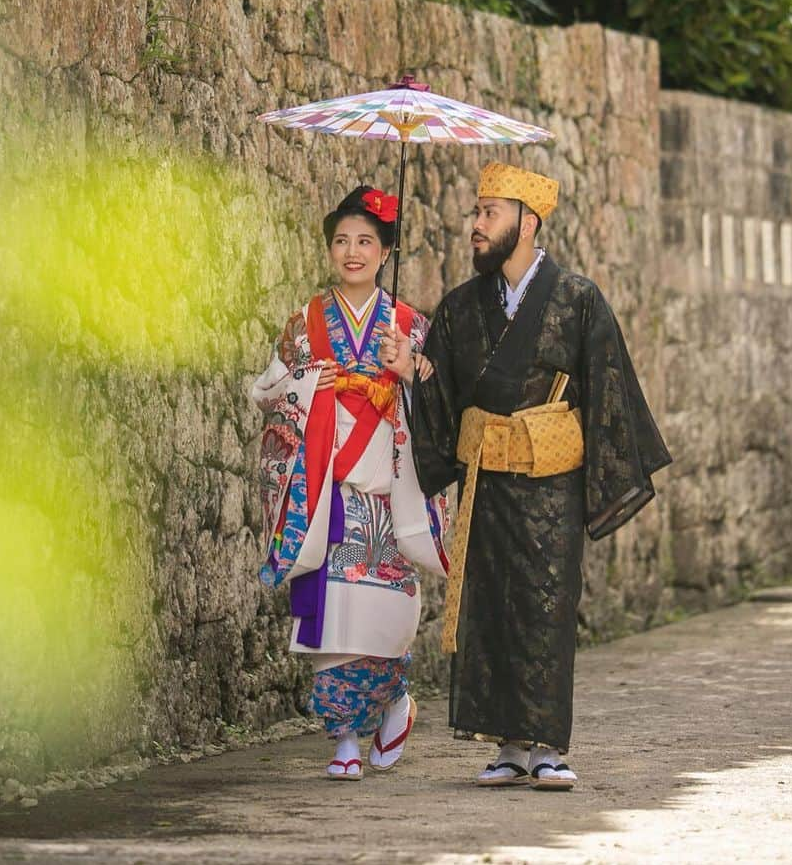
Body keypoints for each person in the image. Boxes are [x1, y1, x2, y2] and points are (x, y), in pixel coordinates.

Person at [380, 161, 671, 791]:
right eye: (476, 213)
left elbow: (608, 390)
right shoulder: (461, 307)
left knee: (546, 606)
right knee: (491, 607)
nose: (476, 225)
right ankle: (507, 746)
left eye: (489, 213)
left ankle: (546, 746)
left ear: (528, 221)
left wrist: (597, 474)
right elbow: (444, 396)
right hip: (486, 482)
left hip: (550, 484)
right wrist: (411, 370)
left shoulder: (577, 299)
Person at [254, 185, 451, 781]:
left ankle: (393, 698)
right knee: (332, 618)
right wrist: (310, 384)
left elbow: (443, 403)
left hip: (388, 496)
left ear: (385, 250)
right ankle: (342, 737)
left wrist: (408, 370)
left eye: (366, 240)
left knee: (381, 616)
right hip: (326, 497)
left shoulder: (411, 324)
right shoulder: (305, 324)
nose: (352, 251)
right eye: (342, 241)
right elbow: (269, 392)